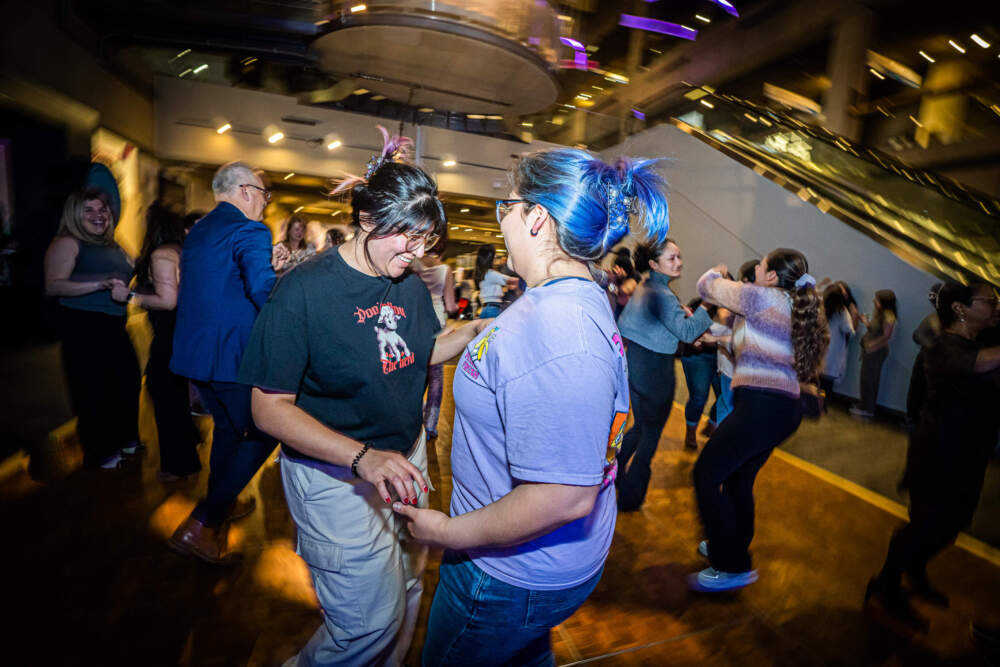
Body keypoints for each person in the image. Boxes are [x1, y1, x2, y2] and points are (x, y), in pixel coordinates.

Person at [390, 148, 671, 666]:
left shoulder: (559, 330)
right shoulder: (564, 299)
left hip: (505, 574)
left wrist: (447, 531)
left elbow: (562, 498)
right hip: (526, 562)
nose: (502, 222)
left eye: (508, 207)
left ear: (537, 218)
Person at [241, 127, 490, 666]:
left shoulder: (405, 281)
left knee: (406, 589)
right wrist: (362, 456)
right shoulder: (305, 290)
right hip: (336, 476)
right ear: (368, 219)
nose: (418, 252)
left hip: (405, 459)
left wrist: (475, 333)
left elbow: (417, 353)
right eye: (407, 236)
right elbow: (268, 407)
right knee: (365, 625)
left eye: (427, 240)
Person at [691, 249, 829, 591]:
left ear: (769, 277)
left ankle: (732, 564)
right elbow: (757, 341)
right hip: (780, 409)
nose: (756, 269)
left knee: (706, 474)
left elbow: (705, 286)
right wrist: (718, 337)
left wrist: (717, 269)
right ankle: (731, 544)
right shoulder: (791, 305)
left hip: (763, 407)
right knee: (738, 480)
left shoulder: (760, 297)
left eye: (762, 265)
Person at [866, 282, 1000, 631]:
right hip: (938, 451)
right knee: (924, 523)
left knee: (950, 527)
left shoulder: (982, 343)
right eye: (990, 302)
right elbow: (979, 365)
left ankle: (914, 570)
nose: (996, 308)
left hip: (971, 453)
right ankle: (886, 584)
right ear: (960, 308)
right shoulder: (941, 346)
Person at [167, 161, 279, 564]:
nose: (265, 204)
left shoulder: (200, 230)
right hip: (233, 356)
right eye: (264, 194)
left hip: (195, 355)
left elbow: (223, 283)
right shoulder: (250, 229)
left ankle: (221, 501)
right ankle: (202, 522)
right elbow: (263, 289)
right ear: (246, 191)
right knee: (265, 432)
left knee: (232, 432)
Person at [44, 188, 140, 469]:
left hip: (114, 324)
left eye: (102, 210)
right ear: (75, 215)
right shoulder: (67, 243)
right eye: (89, 210)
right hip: (83, 325)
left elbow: (131, 273)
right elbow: (54, 285)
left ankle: (125, 438)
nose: (98, 215)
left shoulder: (113, 244)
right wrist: (99, 284)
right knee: (93, 390)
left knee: (127, 381)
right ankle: (100, 450)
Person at [615, 238, 713, 510]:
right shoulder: (663, 295)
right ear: (654, 263)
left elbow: (635, 325)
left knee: (641, 427)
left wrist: (678, 319)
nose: (678, 263)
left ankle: (617, 473)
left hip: (636, 365)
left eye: (679, 257)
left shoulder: (646, 287)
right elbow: (688, 332)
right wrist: (707, 305)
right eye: (671, 259)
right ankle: (631, 499)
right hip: (655, 370)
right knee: (651, 436)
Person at [132, 202, 201, 481]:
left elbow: (167, 300)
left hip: (169, 333)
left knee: (163, 393)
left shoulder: (162, 254)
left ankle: (178, 466)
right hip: (183, 331)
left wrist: (131, 297)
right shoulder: (182, 252)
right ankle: (189, 443)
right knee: (173, 393)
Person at [416, 243, 457, 438]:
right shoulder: (444, 270)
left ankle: (414, 415)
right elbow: (451, 305)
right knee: (436, 377)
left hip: (417, 321)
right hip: (438, 323)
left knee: (415, 370)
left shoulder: (414, 265)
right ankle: (430, 425)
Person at [679, 297, 720, 450]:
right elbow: (686, 330)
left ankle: (712, 424)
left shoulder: (731, 309)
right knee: (699, 396)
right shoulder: (699, 304)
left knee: (725, 396)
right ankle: (690, 432)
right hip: (696, 357)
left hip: (722, 356)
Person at [851, 289, 897, 419]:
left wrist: (872, 345)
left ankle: (867, 409)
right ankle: (863, 405)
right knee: (865, 379)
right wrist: (865, 322)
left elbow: (886, 336)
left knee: (870, 381)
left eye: (876, 299)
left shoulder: (889, 316)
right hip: (870, 351)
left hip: (875, 352)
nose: (874, 301)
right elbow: (875, 329)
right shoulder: (880, 314)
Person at [904, 283, 943, 427]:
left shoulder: (934, 319)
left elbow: (917, 335)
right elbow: (917, 335)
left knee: (921, 390)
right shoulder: (934, 318)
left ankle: (915, 419)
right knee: (919, 389)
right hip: (929, 359)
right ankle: (914, 419)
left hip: (931, 360)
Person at [819, 281, 857, 399]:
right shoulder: (842, 312)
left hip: (819, 349)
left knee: (816, 381)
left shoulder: (821, 307)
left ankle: (810, 403)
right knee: (826, 386)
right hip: (833, 353)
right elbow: (849, 331)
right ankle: (821, 405)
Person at [473, 243, 515, 318]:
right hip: (493, 309)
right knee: (495, 330)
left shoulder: (483, 273)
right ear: (490, 257)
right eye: (494, 254)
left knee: (489, 330)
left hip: (487, 308)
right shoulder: (490, 274)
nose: (496, 256)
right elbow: (511, 280)